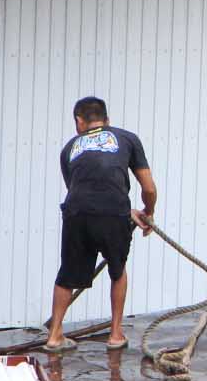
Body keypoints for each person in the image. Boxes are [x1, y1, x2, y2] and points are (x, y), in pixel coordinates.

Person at [46, 97, 156, 352]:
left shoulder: (69, 148)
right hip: (112, 212)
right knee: (117, 270)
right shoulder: (127, 138)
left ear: (79, 122)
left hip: (77, 212)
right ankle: (116, 334)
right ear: (107, 120)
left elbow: (81, 189)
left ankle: (54, 335)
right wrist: (148, 212)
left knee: (67, 275)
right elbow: (148, 188)